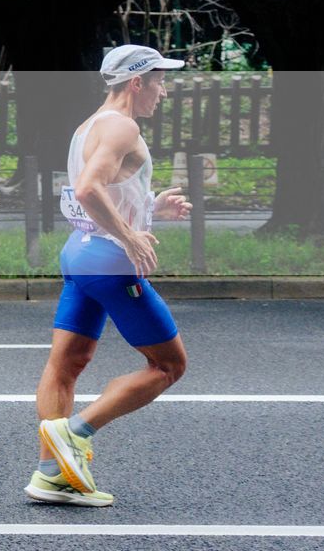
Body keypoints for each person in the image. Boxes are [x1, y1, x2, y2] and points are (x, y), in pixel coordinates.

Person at [30, 44, 193, 507]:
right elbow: (87, 189)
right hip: (109, 261)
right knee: (169, 365)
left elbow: (106, 190)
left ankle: (50, 473)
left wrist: (150, 209)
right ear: (137, 82)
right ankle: (75, 434)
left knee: (66, 365)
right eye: (160, 81)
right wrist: (131, 236)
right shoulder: (123, 125)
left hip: (79, 255)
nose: (164, 91)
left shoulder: (88, 126)